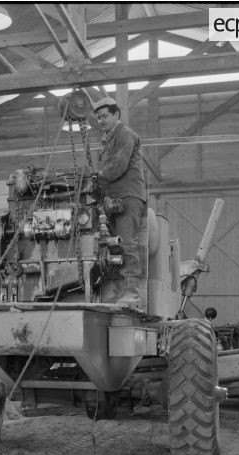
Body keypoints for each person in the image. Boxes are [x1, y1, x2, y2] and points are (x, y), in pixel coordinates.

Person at [93, 96, 147, 307]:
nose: (101, 120)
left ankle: (132, 293)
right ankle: (117, 292)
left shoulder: (125, 134)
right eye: (98, 118)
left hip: (128, 196)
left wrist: (95, 175)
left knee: (126, 244)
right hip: (112, 199)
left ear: (116, 115)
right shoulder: (109, 140)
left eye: (105, 116)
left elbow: (116, 167)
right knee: (111, 247)